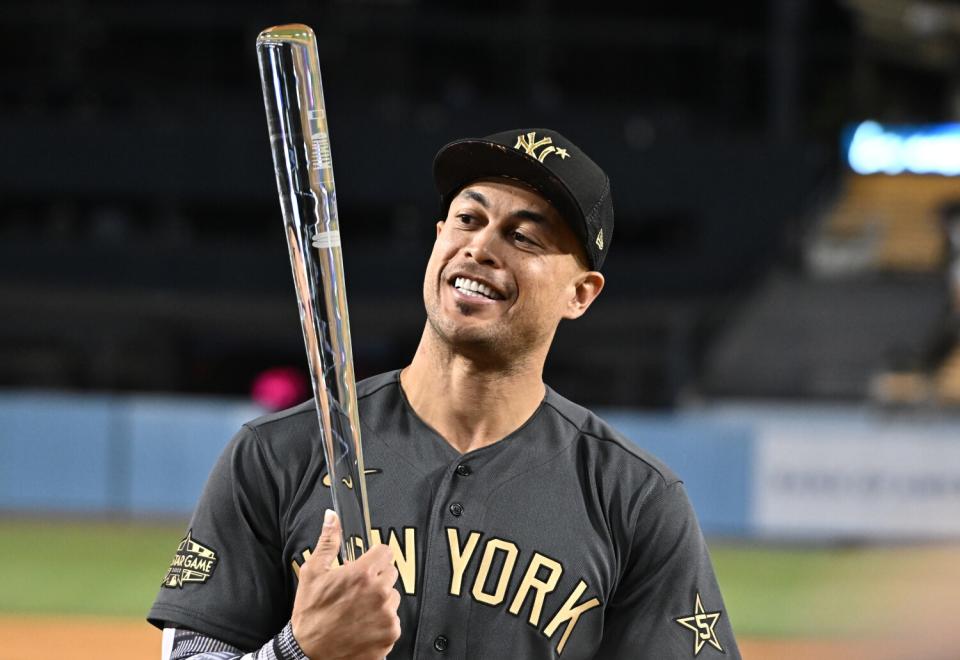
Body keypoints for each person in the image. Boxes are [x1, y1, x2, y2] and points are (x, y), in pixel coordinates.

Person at [148, 128, 740, 659]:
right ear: (438, 238)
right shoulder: (278, 453)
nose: (481, 247)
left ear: (580, 294)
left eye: (525, 237)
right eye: (468, 219)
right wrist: (298, 652)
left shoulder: (633, 499)